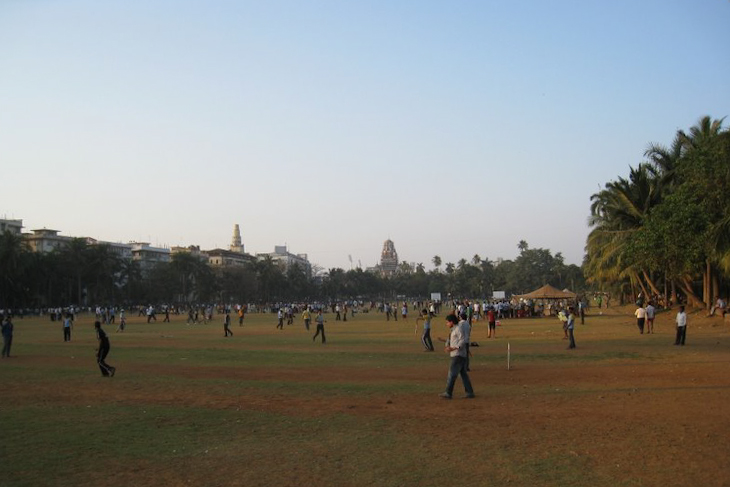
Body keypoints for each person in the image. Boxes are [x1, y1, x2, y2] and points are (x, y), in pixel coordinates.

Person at [438, 314, 475, 399]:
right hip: (459, 354)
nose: (446, 324)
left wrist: (454, 348)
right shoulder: (454, 329)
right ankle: (469, 392)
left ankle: (448, 392)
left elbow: (463, 340)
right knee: (463, 374)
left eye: (447, 322)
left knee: (452, 374)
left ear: (451, 322)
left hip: (458, 355)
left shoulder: (458, 329)